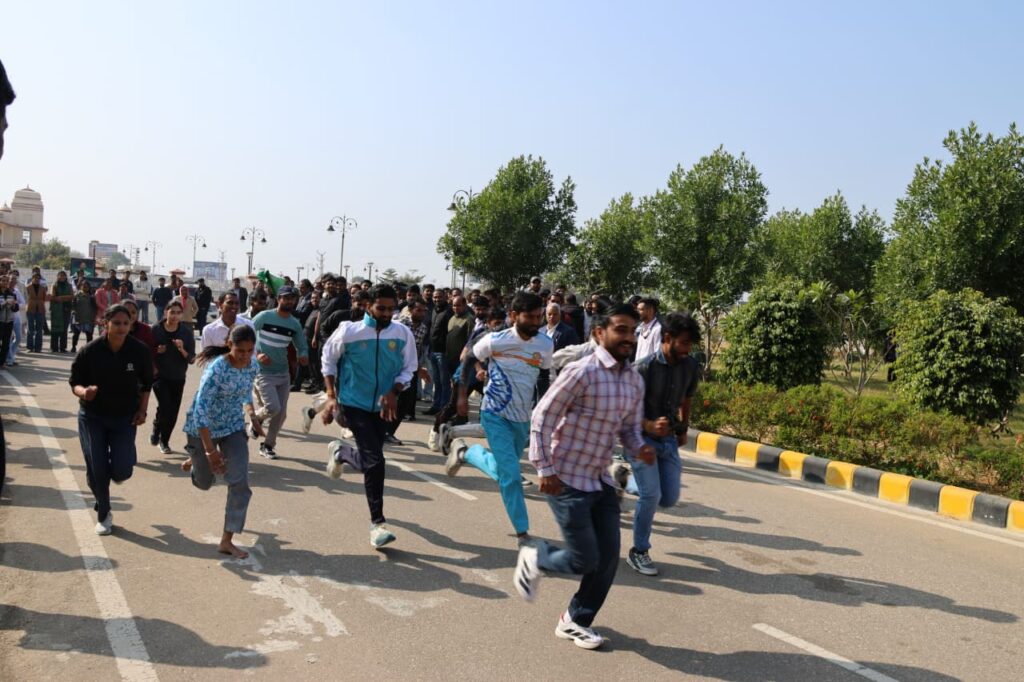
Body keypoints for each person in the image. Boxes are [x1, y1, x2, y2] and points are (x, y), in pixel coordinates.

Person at [514, 303, 655, 650]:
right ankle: (535, 557)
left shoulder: (633, 379)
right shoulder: (581, 371)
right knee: (584, 559)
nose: (628, 337)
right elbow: (542, 418)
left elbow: (628, 429)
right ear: (598, 333)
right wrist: (544, 468)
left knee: (607, 558)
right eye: (620, 330)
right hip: (564, 478)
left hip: (599, 480)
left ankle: (575, 620)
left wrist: (640, 448)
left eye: (632, 331)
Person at [445, 292, 552, 545]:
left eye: (540, 317)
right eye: (531, 317)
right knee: (512, 477)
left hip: (521, 417)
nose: (536, 322)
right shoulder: (495, 340)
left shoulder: (545, 344)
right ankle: (523, 532)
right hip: (494, 413)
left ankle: (466, 453)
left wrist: (543, 407)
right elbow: (468, 359)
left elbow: (544, 378)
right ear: (514, 316)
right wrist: (461, 396)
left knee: (506, 470)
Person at [321, 284, 418, 549]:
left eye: (391, 309)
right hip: (354, 403)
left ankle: (342, 453)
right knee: (376, 461)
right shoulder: (349, 331)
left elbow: (410, 368)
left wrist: (394, 390)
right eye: (381, 308)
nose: (387, 313)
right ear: (368, 306)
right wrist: (331, 396)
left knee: (369, 460)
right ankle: (377, 524)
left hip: (384, 405)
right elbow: (328, 360)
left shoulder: (402, 333)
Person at [625, 312, 701, 576]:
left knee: (668, 498)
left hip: (668, 439)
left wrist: (683, 427)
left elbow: (687, 398)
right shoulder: (642, 369)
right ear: (667, 338)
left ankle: (624, 480)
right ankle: (639, 551)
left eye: (690, 344)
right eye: (684, 343)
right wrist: (648, 426)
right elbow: (626, 413)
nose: (687, 349)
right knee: (651, 495)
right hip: (640, 439)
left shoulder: (690, 366)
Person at [69, 304, 154, 535]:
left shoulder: (140, 351)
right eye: (116, 323)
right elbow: (74, 382)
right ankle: (104, 513)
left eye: (126, 323)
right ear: (105, 324)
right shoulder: (90, 351)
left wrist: (142, 411)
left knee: (121, 471)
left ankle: (121, 460)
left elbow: (147, 384)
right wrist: (83, 392)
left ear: (131, 325)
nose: (121, 327)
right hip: (92, 417)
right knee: (97, 467)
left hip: (124, 418)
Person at [181, 324, 262, 559]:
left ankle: (227, 540)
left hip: (233, 427)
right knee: (205, 482)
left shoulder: (252, 365)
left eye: (250, 351)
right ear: (229, 345)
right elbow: (200, 412)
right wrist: (209, 452)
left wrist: (252, 415)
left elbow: (246, 393)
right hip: (202, 429)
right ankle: (196, 463)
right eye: (240, 351)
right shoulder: (217, 370)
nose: (245, 356)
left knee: (240, 481)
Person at [248, 286, 308, 459]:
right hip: (263, 372)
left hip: (283, 373)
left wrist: (302, 355)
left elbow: (301, 344)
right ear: (279, 299)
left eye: (292, 298)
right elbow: (246, 335)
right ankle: (256, 420)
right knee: (273, 407)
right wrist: (257, 354)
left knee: (280, 414)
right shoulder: (265, 316)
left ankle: (267, 445)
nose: (289, 301)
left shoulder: (294, 323)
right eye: (286, 298)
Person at [149, 300, 196, 454]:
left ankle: (164, 440)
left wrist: (182, 349)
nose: (175, 316)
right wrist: (157, 351)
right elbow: (146, 352)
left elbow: (191, 359)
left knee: (172, 411)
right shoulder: (155, 330)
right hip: (159, 376)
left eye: (178, 313)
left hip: (178, 377)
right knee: (165, 406)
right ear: (165, 313)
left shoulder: (186, 333)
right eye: (172, 312)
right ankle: (158, 430)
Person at [424, 289, 453, 415]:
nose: (436, 299)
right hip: (432, 350)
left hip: (443, 352)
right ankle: (436, 406)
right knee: (436, 381)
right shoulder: (434, 311)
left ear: (445, 297)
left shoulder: (449, 311)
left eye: (439, 297)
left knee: (444, 382)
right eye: (435, 297)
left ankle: (444, 408)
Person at [49, 271, 74, 353]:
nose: (62, 277)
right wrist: (63, 298)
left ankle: (63, 347)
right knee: (55, 328)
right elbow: (53, 297)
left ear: (66, 277)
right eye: (60, 275)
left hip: (66, 309)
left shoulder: (69, 286)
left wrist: (61, 297)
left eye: (64, 275)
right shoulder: (54, 285)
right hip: (56, 310)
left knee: (64, 329)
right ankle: (54, 347)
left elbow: (72, 296)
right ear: (57, 276)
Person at [71, 280, 98, 352]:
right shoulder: (77, 295)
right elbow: (73, 305)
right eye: (84, 285)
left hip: (89, 319)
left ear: (89, 287)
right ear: (81, 286)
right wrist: (73, 311)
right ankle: (73, 346)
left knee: (89, 336)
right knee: (76, 335)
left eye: (87, 286)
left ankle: (89, 349)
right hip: (78, 318)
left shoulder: (92, 296)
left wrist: (94, 318)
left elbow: (95, 308)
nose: (85, 287)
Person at [0, 274, 19, 369]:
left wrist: (13, 305)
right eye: (3, 281)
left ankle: (2, 363)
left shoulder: (12, 294)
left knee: (6, 343)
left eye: (6, 281)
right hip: (0, 321)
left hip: (9, 321)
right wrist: (4, 304)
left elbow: (16, 309)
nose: (4, 283)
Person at [25, 271, 47, 352]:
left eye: (38, 278)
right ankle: (29, 347)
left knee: (39, 330)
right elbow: (25, 297)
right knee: (30, 329)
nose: (37, 279)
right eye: (35, 278)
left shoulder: (43, 288)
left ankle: (38, 348)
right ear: (32, 278)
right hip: (30, 308)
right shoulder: (28, 287)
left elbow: (44, 298)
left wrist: (39, 303)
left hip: (40, 309)